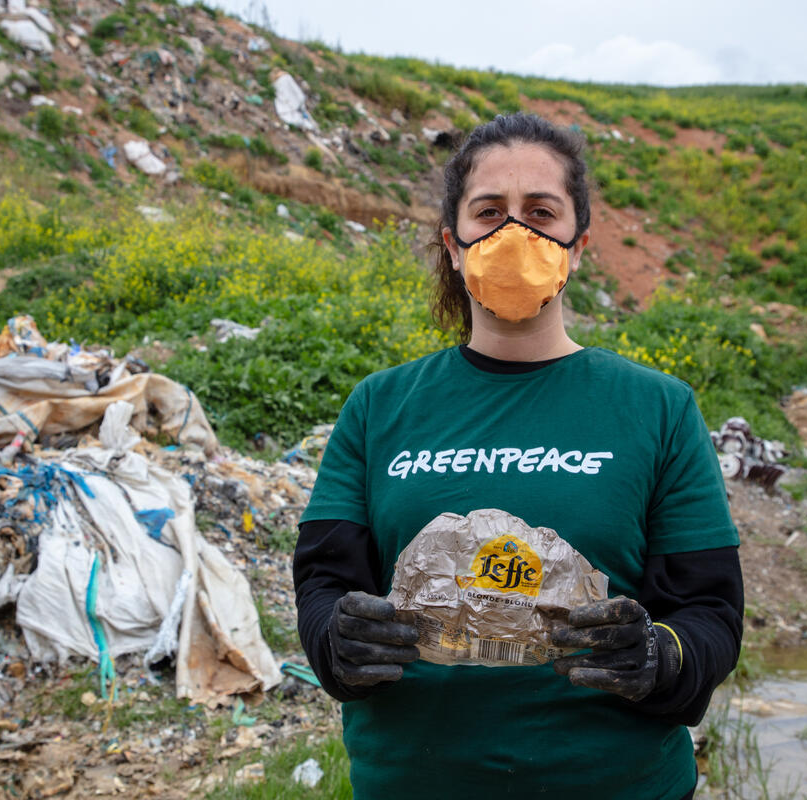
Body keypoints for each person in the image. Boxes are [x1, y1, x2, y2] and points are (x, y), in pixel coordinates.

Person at [293, 112, 743, 799]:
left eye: (540, 212)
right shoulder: (379, 407)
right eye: (490, 212)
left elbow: (710, 611)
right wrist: (339, 641)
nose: (514, 233)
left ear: (578, 244)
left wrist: (657, 654)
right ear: (453, 243)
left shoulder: (658, 408)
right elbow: (324, 583)